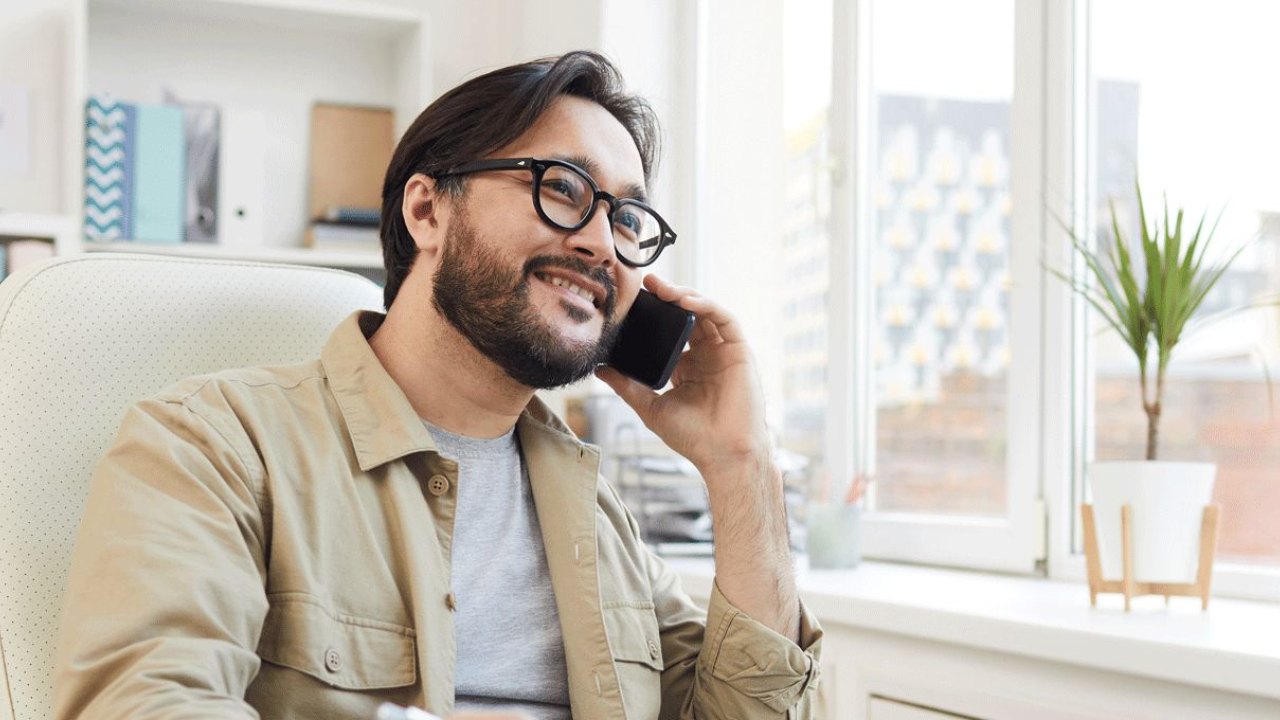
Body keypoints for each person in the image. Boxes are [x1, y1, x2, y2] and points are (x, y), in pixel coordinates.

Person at [53, 51, 822, 720]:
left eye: (628, 220)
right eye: (563, 188)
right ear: (426, 209)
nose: (600, 242)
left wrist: (741, 465)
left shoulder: (597, 513)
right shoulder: (212, 445)